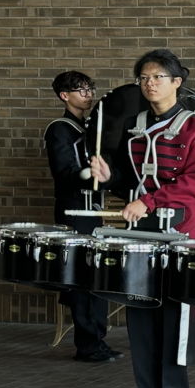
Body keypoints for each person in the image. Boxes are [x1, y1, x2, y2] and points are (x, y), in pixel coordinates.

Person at [90, 49, 195, 388]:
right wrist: (109, 177)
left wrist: (148, 201)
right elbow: (131, 181)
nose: (150, 83)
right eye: (144, 77)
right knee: (140, 315)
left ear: (177, 82)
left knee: (177, 318)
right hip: (141, 233)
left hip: (179, 231)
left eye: (158, 77)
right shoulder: (134, 126)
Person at [46, 71, 122, 363]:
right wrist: (89, 173)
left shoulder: (91, 128)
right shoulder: (60, 128)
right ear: (65, 96)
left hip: (94, 212)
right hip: (75, 213)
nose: (89, 94)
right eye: (81, 90)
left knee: (97, 277)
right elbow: (64, 172)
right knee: (81, 279)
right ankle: (88, 345)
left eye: (90, 88)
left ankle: (97, 340)